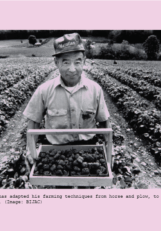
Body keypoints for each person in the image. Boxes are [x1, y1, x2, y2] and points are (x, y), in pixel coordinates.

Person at [23, 33, 110, 162]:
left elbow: (104, 122)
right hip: (55, 152)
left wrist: (109, 150)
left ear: (84, 61)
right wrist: (30, 151)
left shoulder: (95, 89)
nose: (72, 69)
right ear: (56, 62)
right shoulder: (44, 91)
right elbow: (34, 123)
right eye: (66, 62)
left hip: (88, 151)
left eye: (77, 62)